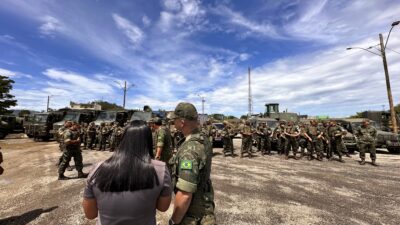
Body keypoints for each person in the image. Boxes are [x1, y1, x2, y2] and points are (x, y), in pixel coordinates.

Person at [82, 120, 172, 224]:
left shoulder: (97, 169)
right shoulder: (161, 169)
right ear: (149, 140)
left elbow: (90, 214)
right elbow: (163, 207)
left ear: (123, 139)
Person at [169, 102, 216, 225]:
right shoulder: (203, 138)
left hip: (193, 215)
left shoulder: (189, 150)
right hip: (205, 205)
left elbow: (185, 194)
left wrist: (173, 221)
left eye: (175, 120)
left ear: (182, 122)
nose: (173, 123)